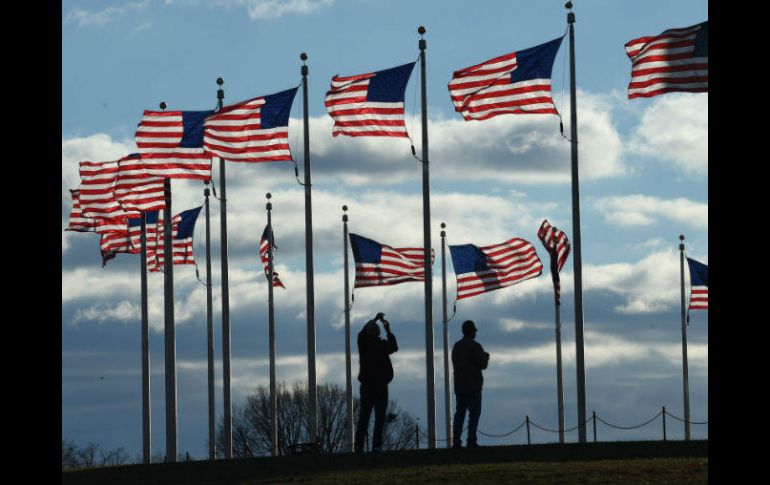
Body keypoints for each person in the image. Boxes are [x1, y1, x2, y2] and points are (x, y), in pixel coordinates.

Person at [355, 312, 398, 453]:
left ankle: (359, 445)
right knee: (378, 418)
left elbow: (361, 334)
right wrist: (388, 330)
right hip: (379, 387)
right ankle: (376, 446)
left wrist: (374, 320)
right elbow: (394, 347)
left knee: (364, 417)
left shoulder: (364, 345)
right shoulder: (381, 345)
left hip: (369, 386)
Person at [452, 320, 490, 449]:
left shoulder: (456, 346)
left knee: (459, 415)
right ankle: (471, 440)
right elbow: (483, 364)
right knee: (474, 415)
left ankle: (456, 441)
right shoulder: (475, 346)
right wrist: (485, 357)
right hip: (473, 387)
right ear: (472, 331)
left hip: (460, 387)